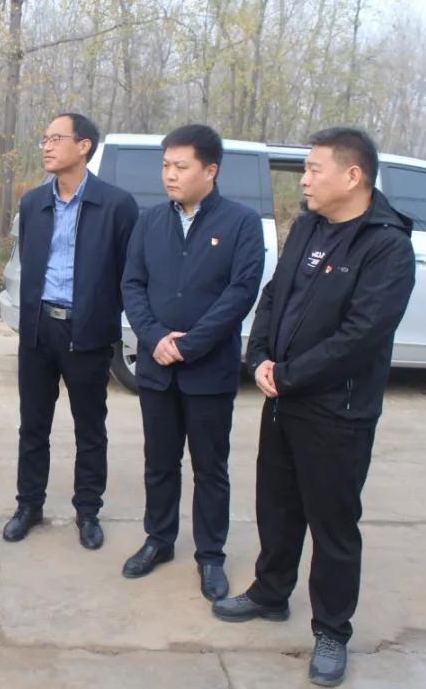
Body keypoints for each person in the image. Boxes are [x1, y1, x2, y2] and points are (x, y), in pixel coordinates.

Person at [212, 127, 416, 687]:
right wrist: (258, 357)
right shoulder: (308, 227)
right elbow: (275, 295)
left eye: (313, 169)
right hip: (283, 400)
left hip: (337, 412)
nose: (303, 180)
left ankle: (331, 630)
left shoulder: (386, 246)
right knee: (276, 505)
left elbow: (361, 335)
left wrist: (288, 375)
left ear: (353, 176)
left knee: (333, 525)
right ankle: (270, 591)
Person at [120, 124, 264, 600]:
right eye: (165, 166)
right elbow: (132, 285)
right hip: (157, 369)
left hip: (208, 372)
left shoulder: (241, 224)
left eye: (181, 166)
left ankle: (210, 555)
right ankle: (159, 540)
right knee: (159, 462)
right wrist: (155, 337)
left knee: (210, 468)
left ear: (211, 170)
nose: (170, 175)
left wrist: (190, 344)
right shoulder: (149, 222)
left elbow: (240, 293)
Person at [2, 112, 138, 550]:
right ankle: (29, 506)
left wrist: (103, 315)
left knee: (90, 428)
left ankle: (88, 510)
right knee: (33, 425)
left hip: (88, 333)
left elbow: (129, 273)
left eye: (56, 138)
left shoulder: (116, 205)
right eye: (44, 138)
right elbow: (30, 262)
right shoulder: (33, 203)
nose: (46, 146)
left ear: (84, 146)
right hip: (39, 331)